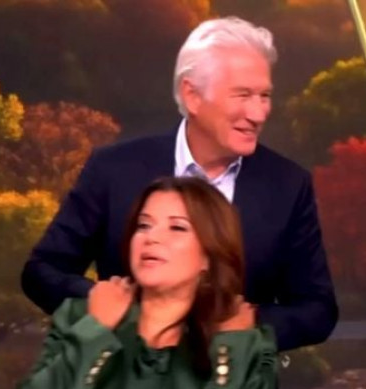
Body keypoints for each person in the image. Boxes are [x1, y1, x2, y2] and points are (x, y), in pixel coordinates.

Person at [21, 16, 338, 355]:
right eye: (243, 95)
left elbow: (317, 309)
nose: (258, 114)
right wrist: (114, 311)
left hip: (230, 383)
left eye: (264, 96)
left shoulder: (288, 185)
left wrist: (249, 326)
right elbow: (42, 271)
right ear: (192, 95)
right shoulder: (114, 169)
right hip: (121, 378)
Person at [14, 177, 280, 389]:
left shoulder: (244, 339)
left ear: (209, 255)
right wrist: (96, 330)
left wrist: (231, 350)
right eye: (143, 225)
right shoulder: (81, 318)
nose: (151, 237)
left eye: (176, 228)